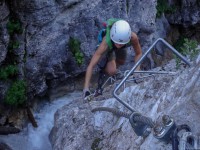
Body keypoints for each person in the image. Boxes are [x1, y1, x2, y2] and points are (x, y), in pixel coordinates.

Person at [83, 18, 142, 99]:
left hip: (119, 44)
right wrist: (86, 89)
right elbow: (91, 65)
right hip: (110, 47)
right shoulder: (106, 43)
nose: (118, 44)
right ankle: (108, 69)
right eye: (117, 43)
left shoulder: (132, 37)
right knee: (112, 71)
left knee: (121, 61)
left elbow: (138, 53)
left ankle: (113, 65)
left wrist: (137, 71)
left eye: (120, 43)